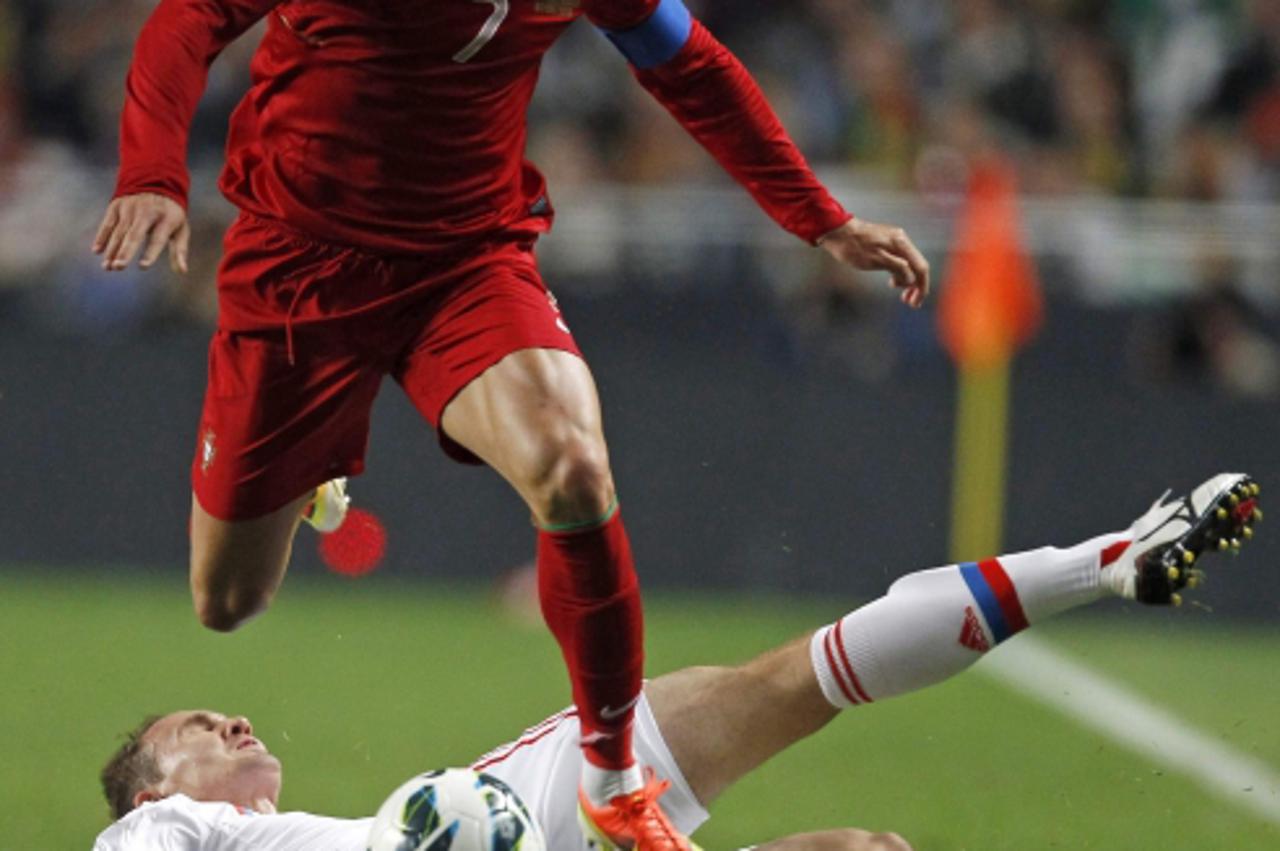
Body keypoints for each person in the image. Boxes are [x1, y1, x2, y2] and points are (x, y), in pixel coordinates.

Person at [92, 4, 930, 847]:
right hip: (298, 262)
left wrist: (820, 216)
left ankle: (615, 778)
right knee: (229, 599)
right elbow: (190, 18)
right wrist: (152, 172)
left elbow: (689, 64)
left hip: (465, 261)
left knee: (572, 468)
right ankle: (312, 472)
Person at [94, 474, 1261, 851]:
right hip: (480, 818)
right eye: (194, 727)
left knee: (795, 690)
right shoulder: (162, 831)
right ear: (152, 788)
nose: (230, 719)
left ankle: (1105, 559)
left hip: (505, 805)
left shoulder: (292, 832)